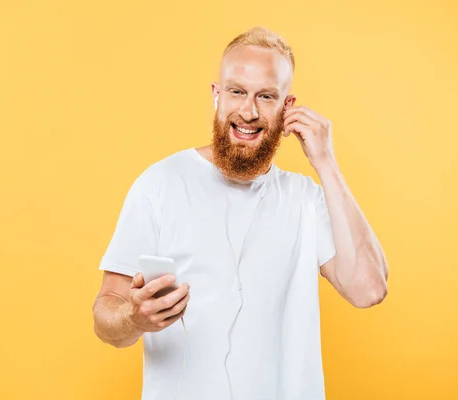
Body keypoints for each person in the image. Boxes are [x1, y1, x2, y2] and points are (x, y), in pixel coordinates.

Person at [92, 26, 388, 400]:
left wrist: (326, 164)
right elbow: (107, 316)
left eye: (266, 96)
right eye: (236, 92)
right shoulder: (160, 184)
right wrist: (132, 318)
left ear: (287, 107)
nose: (248, 111)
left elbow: (369, 289)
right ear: (217, 95)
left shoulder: (305, 199)